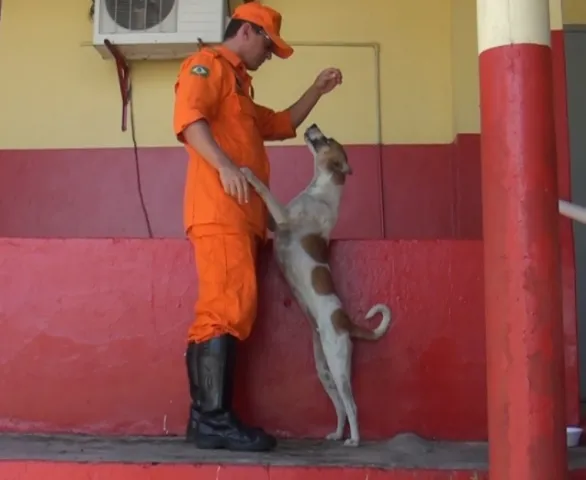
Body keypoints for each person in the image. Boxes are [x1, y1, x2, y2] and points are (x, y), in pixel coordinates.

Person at [172, 1, 342, 452]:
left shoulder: (240, 91)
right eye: (269, 44)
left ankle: (205, 419)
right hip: (219, 212)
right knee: (224, 310)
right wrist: (226, 166)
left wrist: (317, 90)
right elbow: (190, 120)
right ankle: (212, 420)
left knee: (232, 309)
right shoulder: (207, 67)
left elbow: (283, 124)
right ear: (246, 32)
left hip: (242, 218)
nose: (270, 55)